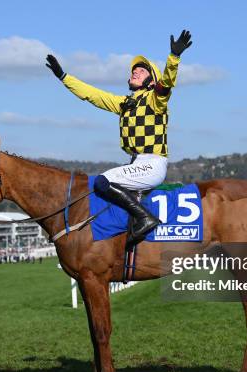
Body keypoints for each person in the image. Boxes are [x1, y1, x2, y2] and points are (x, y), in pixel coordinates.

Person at [45, 30, 192, 247]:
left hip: (152, 163)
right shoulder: (124, 103)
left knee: (103, 181)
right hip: (136, 163)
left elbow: (167, 84)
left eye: (141, 71)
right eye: (133, 70)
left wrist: (174, 57)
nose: (135, 72)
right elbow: (93, 95)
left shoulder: (155, 100)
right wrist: (64, 77)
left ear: (151, 81)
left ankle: (145, 218)